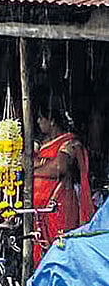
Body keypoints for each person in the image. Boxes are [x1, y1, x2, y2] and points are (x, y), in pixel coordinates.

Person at [33, 97, 93, 265]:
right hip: (40, 213)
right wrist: (42, 166)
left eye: (41, 117)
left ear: (52, 120)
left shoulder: (69, 142)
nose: (38, 121)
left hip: (58, 208)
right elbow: (25, 161)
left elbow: (59, 167)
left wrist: (34, 170)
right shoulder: (41, 144)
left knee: (60, 251)